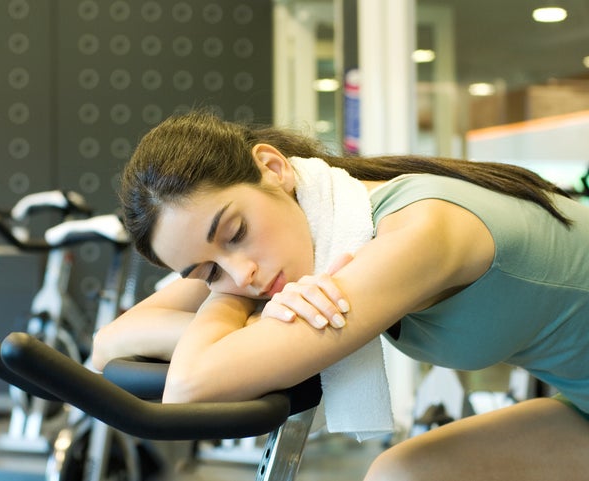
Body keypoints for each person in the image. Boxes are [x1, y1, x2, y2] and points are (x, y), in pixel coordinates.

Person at [92, 109, 589, 480]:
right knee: (404, 475)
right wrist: (243, 314)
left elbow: (190, 387)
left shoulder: (419, 229)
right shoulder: (325, 224)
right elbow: (111, 341)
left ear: (274, 168)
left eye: (236, 232)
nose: (243, 273)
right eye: (205, 270)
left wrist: (228, 307)